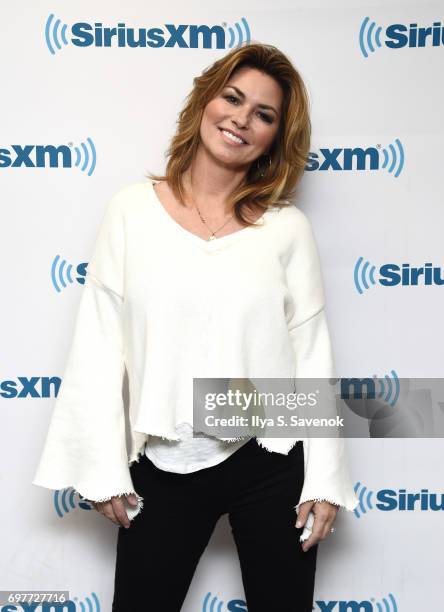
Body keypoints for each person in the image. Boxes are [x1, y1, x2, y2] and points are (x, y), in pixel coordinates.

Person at [32, 42, 358, 611]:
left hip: (271, 455)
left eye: (265, 114)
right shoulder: (131, 210)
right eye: (233, 98)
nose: (241, 119)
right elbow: (100, 342)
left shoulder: (288, 229)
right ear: (204, 101)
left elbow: (311, 353)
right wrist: (103, 465)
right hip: (165, 457)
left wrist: (324, 480)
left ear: (276, 137)